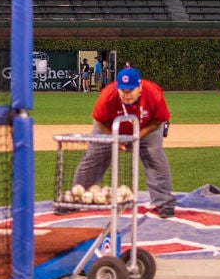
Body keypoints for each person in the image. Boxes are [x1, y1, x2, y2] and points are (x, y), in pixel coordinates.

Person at [72, 66, 176, 217]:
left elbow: (159, 120)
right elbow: (99, 121)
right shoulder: (108, 95)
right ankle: (76, 197)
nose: (126, 95)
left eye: (130, 90)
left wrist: (138, 136)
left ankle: (164, 203)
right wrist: (114, 139)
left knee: (154, 156)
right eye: (123, 90)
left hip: (147, 127)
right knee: (94, 156)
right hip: (109, 127)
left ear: (139, 87)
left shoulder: (153, 94)